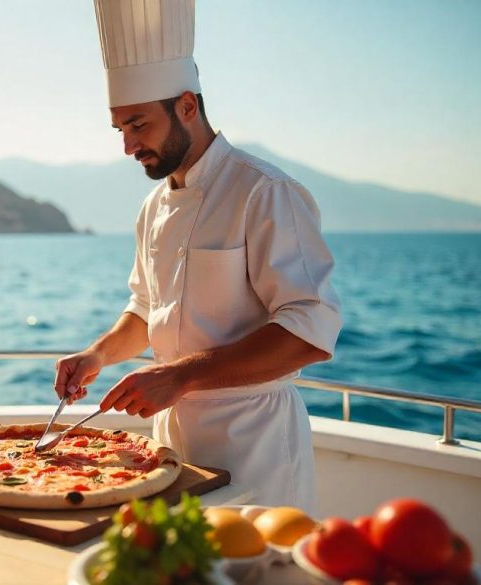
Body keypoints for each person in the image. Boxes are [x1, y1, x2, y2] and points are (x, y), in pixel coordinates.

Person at [53, 0, 342, 511]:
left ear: (187, 106)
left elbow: (309, 333)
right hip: (169, 445)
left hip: (255, 443)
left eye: (138, 125)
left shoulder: (265, 192)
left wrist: (179, 375)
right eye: (121, 130)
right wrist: (97, 355)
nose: (128, 146)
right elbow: (147, 311)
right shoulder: (153, 206)